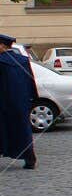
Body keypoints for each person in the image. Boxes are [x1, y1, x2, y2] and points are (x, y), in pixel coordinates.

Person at [0, 36, 37, 170]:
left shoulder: (1, 61)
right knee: (23, 131)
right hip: (21, 102)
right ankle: (30, 159)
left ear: (2, 46)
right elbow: (31, 80)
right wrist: (33, 98)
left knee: (4, 130)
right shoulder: (24, 60)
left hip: (4, 102)